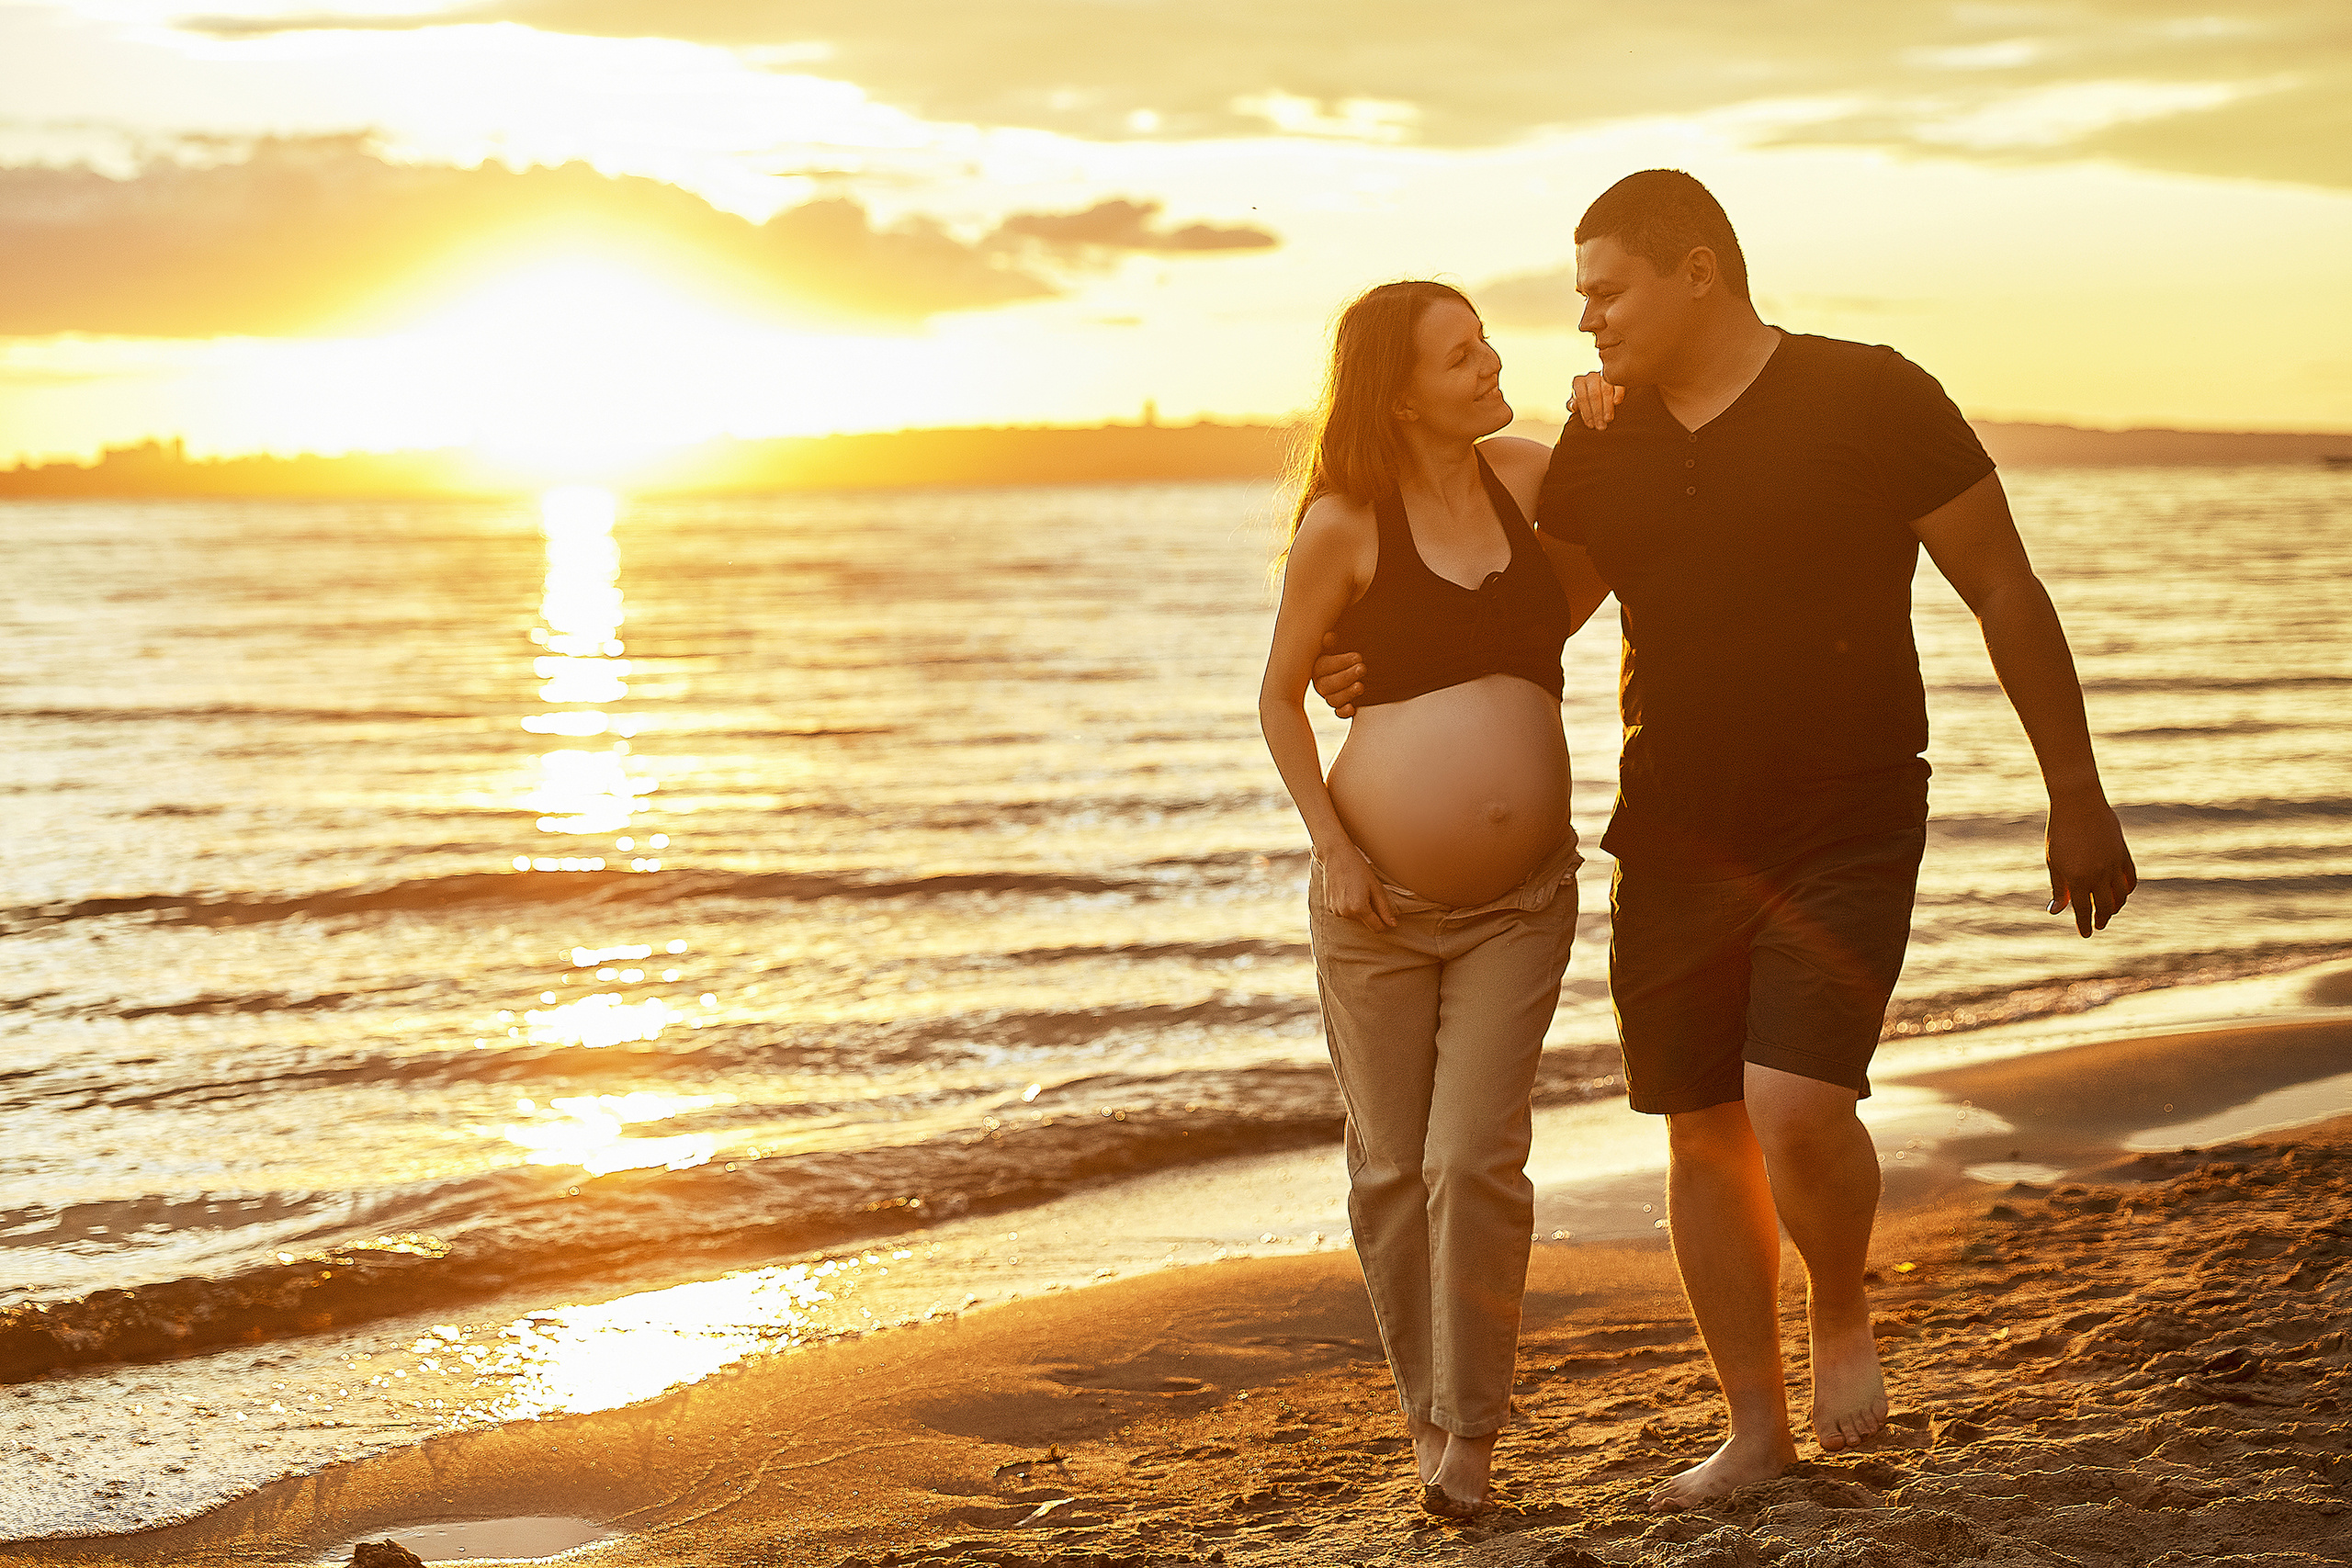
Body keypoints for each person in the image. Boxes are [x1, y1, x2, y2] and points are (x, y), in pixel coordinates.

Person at [1310, 170, 2137, 1512]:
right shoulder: (1607, 443)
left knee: (1798, 1108)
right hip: (1678, 828)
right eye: (1579, 296)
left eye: (1606, 291)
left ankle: (1842, 1317)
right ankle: (1757, 1430)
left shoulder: (1871, 395)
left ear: (1698, 271)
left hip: (1850, 811)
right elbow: (1526, 623)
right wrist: (1367, 670)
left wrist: (2076, 790)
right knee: (1703, 1130)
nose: (1584, 322)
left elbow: (2001, 583)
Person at [1257, 279, 1613, 1518]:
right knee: (1394, 1167)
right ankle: (1425, 1407)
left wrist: (1606, 424)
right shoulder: (1345, 526)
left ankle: (1471, 1433)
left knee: (1476, 1157)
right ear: (1397, 390)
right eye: (1458, 358)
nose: (1488, 364)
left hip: (1524, 900)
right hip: (1379, 907)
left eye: (1484, 345)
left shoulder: (1525, 476)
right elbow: (1278, 699)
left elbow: (1581, 586)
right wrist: (1336, 854)